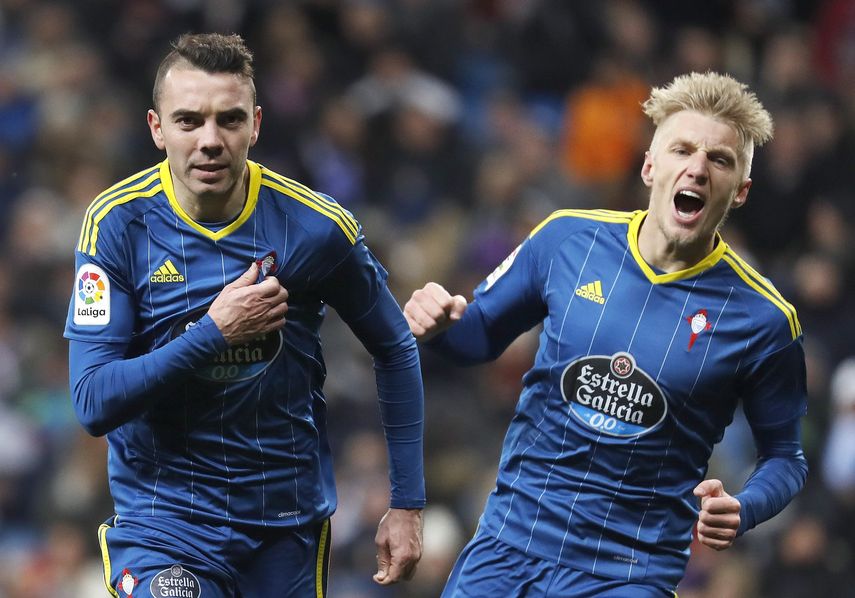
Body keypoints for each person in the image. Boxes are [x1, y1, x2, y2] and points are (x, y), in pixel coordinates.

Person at [404, 71, 808, 597]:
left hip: (628, 573)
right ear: (649, 165)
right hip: (509, 545)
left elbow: (786, 458)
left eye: (720, 159)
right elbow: (477, 338)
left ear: (741, 192)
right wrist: (439, 325)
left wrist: (744, 507)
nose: (698, 169)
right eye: (682, 149)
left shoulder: (765, 320)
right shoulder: (566, 239)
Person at [64, 33, 425, 597]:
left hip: (284, 529)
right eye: (188, 122)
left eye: (228, 121)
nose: (210, 141)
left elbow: (395, 347)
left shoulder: (315, 228)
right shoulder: (116, 225)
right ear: (157, 129)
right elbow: (92, 401)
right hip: (165, 525)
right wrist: (213, 333)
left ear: (255, 125)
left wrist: (407, 503)